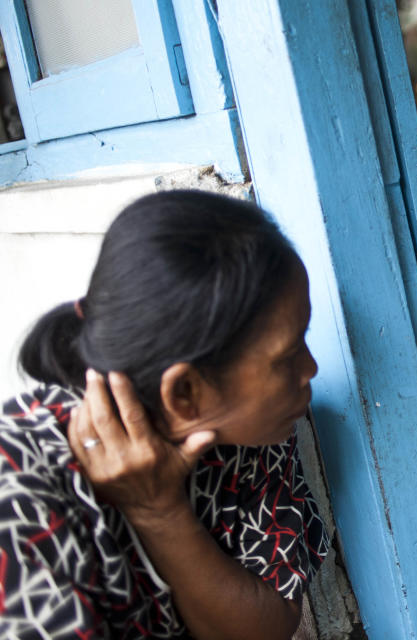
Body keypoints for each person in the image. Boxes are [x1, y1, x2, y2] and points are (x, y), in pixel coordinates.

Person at [0, 191, 329, 639]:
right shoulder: (20, 495)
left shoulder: (253, 436)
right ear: (184, 393)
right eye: (288, 355)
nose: (311, 370)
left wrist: (160, 512)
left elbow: (264, 629)